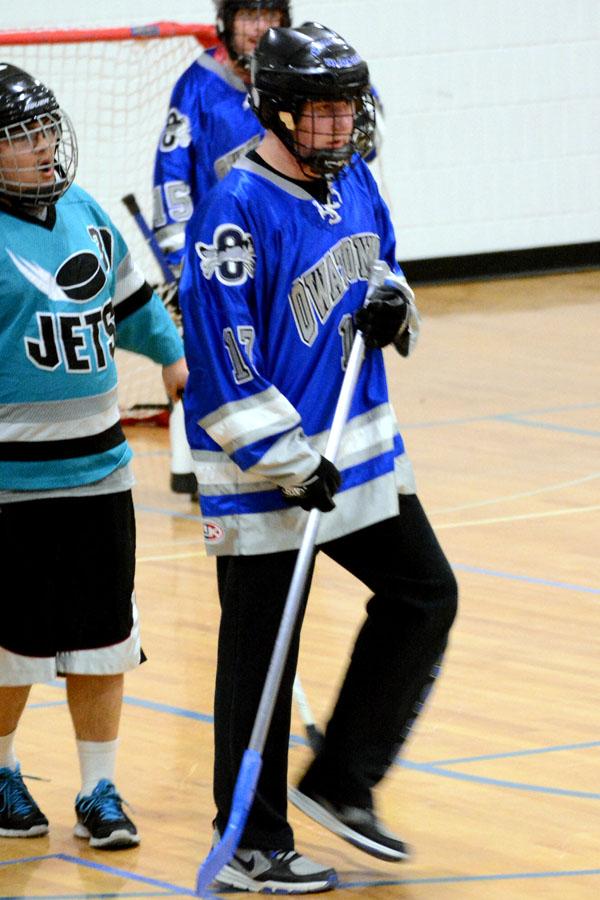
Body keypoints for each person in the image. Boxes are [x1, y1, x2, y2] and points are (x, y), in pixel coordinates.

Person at [179, 22, 458, 894]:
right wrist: (290, 462)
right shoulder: (234, 213)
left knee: (425, 595)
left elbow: (388, 269)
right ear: (279, 111)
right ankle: (252, 841)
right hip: (266, 478)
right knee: (263, 654)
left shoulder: (354, 180)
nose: (342, 128)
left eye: (349, 110)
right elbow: (223, 372)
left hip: (360, 458)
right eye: (325, 113)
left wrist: (392, 307)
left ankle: (341, 780)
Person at [0, 64, 187, 849]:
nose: (44, 147)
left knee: (105, 634)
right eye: (21, 138)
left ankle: (98, 788)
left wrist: (179, 368)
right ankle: (3, 773)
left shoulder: (85, 212)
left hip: (102, 473)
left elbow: (135, 308)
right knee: (11, 641)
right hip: (12, 483)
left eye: (46, 130)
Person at [153, 0, 291, 499]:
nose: (260, 28)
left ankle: (286, 456)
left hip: (284, 258)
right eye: (248, 16)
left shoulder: (296, 75)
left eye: (270, 14)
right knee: (216, 362)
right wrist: (178, 262)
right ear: (227, 24)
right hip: (219, 262)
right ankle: (200, 465)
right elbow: (170, 179)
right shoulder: (197, 84)